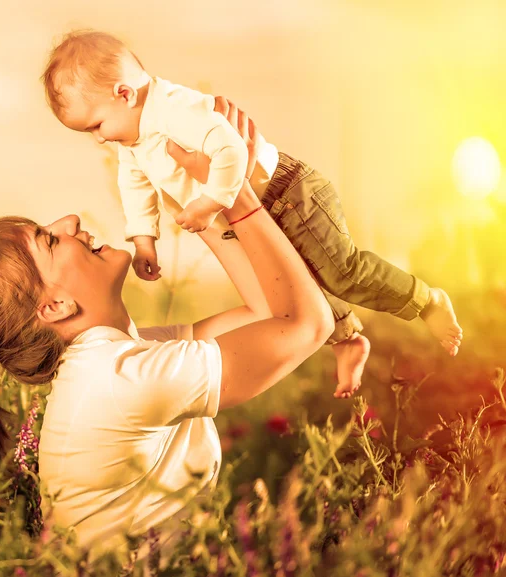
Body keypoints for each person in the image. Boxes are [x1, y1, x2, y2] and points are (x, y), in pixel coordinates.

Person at [0, 102, 334, 559]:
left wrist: (198, 199)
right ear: (55, 305)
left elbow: (268, 309)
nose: (69, 221)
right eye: (49, 239)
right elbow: (308, 323)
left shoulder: (126, 359)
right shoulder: (119, 380)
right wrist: (236, 191)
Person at [40, 29, 464, 398]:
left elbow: (228, 147)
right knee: (299, 284)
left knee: (341, 273)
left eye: (95, 126)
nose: (99, 140)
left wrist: (209, 203)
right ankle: (347, 338)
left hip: (288, 192)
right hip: (253, 210)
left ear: (124, 94)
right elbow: (133, 188)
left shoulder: (172, 109)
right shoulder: (130, 141)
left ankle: (425, 301)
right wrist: (143, 240)